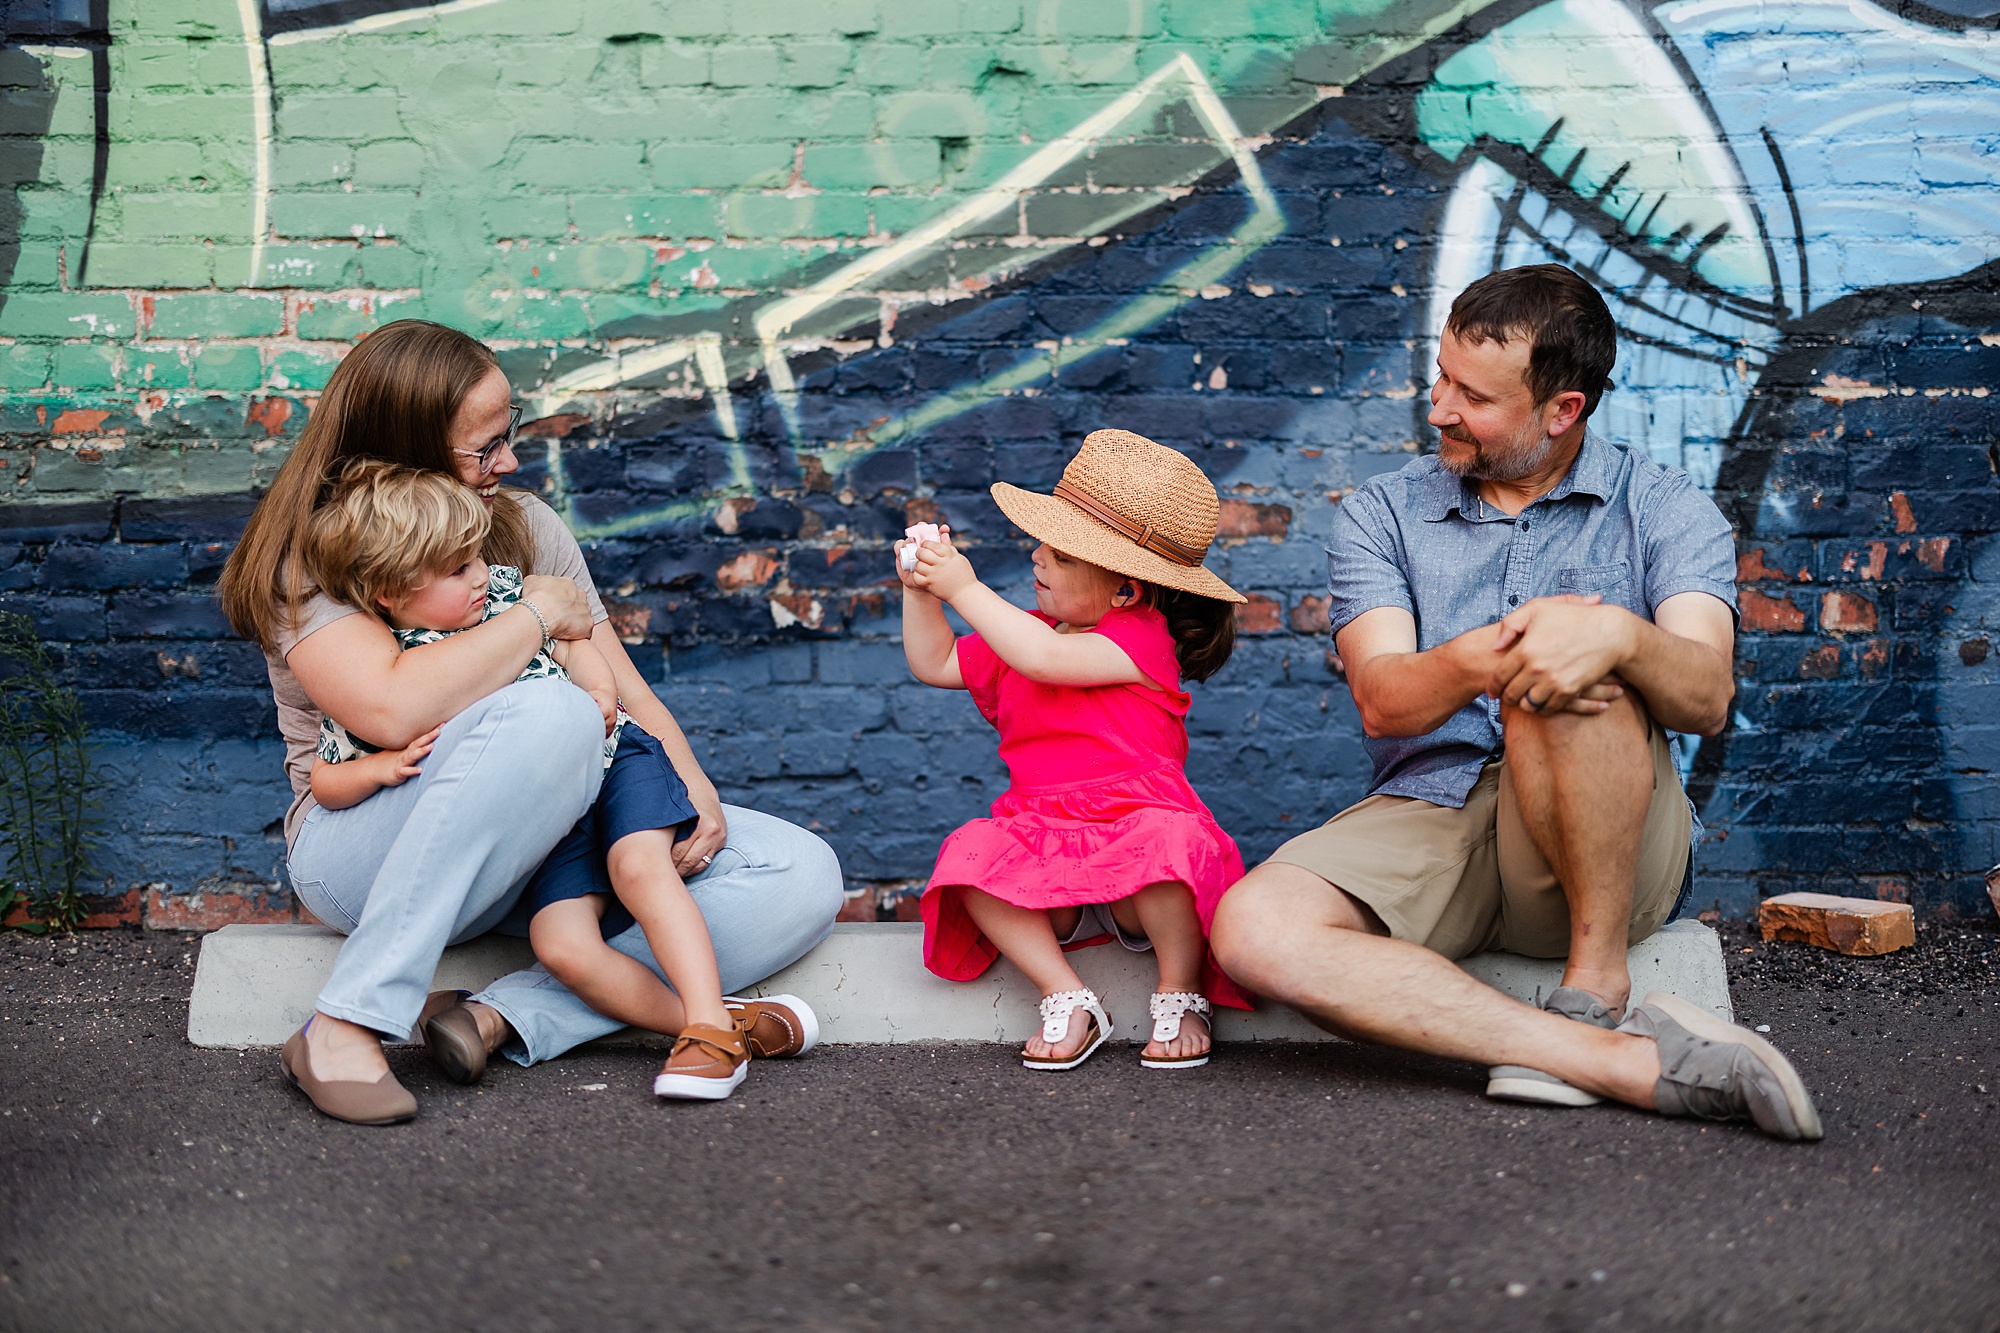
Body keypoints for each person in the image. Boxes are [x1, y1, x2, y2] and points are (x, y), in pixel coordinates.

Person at [1210, 265, 1823, 1140]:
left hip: (1603, 847)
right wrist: (1486, 656)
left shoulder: (1665, 508)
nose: (1439, 409)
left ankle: (1596, 981)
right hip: (1432, 810)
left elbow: (1707, 694)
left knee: (1567, 668)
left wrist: (1616, 637)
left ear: (1562, 410)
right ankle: (1611, 1058)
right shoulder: (1383, 514)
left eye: (1473, 396)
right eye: (1441, 377)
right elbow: (1383, 702)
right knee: (1252, 927)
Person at [218, 319, 842, 1126]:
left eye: (506, 436)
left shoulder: (524, 527)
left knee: (798, 873)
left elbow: (623, 691)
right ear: (405, 450)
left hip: (549, 841)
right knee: (553, 709)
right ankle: (344, 1022)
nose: (508, 462)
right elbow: (390, 704)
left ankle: (498, 1015)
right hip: (364, 838)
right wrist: (537, 615)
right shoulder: (320, 552)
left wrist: (693, 787)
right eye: (485, 448)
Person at [302, 461, 801, 1101]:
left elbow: (578, 646)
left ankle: (705, 1024)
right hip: (541, 827)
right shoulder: (387, 650)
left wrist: (598, 693)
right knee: (564, 944)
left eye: (478, 556)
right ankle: (717, 1027)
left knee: (645, 870)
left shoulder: (507, 595)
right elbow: (327, 777)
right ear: (388, 593)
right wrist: (376, 768)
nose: (481, 574)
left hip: (616, 764)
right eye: (458, 570)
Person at [900, 429, 1253, 1072]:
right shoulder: (1025, 633)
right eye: (1044, 543)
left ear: (1126, 591)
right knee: (970, 854)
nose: (1038, 557)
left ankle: (1179, 987)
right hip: (1043, 834)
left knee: (1171, 843)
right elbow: (937, 660)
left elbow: (1048, 660)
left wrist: (963, 589)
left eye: (1061, 554)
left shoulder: (1140, 641)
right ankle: (1065, 992)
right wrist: (922, 589)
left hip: (1133, 829)